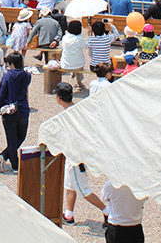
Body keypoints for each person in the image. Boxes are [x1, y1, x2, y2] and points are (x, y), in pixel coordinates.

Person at [55, 82, 109, 225]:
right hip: (74, 156)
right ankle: (69, 214)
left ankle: (108, 212)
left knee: (84, 190)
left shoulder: (68, 115)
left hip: (76, 158)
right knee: (70, 185)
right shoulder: (78, 109)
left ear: (59, 97)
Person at [0, 52, 31, 174]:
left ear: (11, 63)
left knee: (11, 139)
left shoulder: (7, 76)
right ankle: (6, 157)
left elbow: (1, 93)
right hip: (22, 108)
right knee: (21, 137)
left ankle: (11, 163)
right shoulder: (27, 76)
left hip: (8, 110)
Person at [59, 20, 88, 89]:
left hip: (65, 64)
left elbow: (62, 46)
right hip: (78, 65)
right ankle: (79, 82)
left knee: (69, 57)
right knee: (78, 65)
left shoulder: (65, 37)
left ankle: (73, 73)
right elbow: (86, 46)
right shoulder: (80, 39)